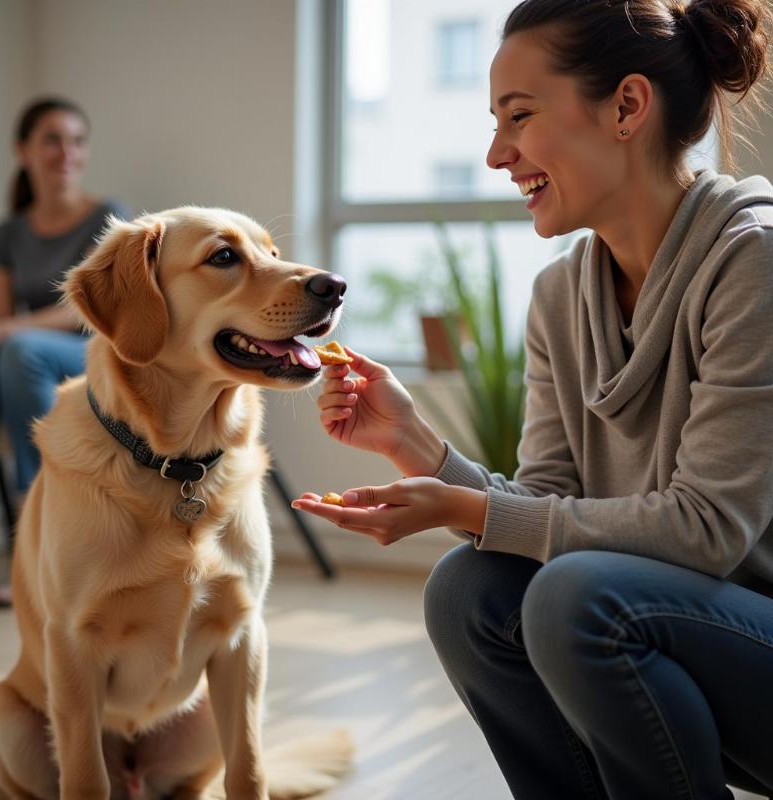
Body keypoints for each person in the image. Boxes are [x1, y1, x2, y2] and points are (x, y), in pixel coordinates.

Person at [292, 1, 773, 798]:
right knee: (468, 592)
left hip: (749, 638)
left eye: (519, 116)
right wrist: (415, 443)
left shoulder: (752, 263)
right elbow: (548, 509)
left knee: (578, 598)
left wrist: (469, 509)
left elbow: (707, 530)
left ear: (625, 107)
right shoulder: (560, 297)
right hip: (676, 637)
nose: (494, 154)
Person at [0, 97, 128, 604]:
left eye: (77, 140)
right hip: (25, 357)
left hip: (99, 355)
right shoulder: (7, 232)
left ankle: (45, 547)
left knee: (18, 352)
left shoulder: (108, 217)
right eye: (53, 139)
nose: (67, 152)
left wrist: (3, 332)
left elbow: (94, 308)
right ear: (24, 151)